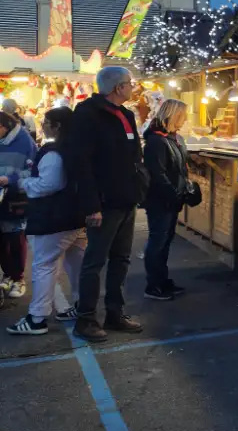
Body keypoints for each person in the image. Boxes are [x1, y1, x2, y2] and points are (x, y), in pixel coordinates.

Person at [67, 66, 147, 343]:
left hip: (127, 198)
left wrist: (139, 186)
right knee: (94, 261)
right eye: (129, 83)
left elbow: (134, 155)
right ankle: (86, 319)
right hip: (104, 202)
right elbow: (81, 163)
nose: (133, 87)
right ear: (117, 87)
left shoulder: (126, 114)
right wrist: (92, 205)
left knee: (121, 259)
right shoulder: (87, 115)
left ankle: (115, 312)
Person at [7, 107, 86, 335]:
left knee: (44, 265)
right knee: (77, 263)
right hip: (76, 216)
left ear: (57, 126)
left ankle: (37, 318)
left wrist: (23, 184)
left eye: (46, 122)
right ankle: (82, 306)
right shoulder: (78, 147)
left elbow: (49, 184)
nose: (42, 125)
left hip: (55, 218)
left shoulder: (54, 153)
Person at [142, 99, 190, 301]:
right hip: (160, 199)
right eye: (183, 116)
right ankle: (153, 285)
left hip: (171, 198)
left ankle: (162, 280)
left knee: (165, 241)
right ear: (174, 115)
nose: (185, 120)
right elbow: (158, 174)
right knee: (158, 241)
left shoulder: (174, 138)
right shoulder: (156, 141)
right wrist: (174, 193)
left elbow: (178, 167)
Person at [0, 109, 36, 298]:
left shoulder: (25, 142)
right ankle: (7, 274)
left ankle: (18, 278)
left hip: (16, 197)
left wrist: (10, 179)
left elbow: (33, 171)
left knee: (15, 237)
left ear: (5, 126)